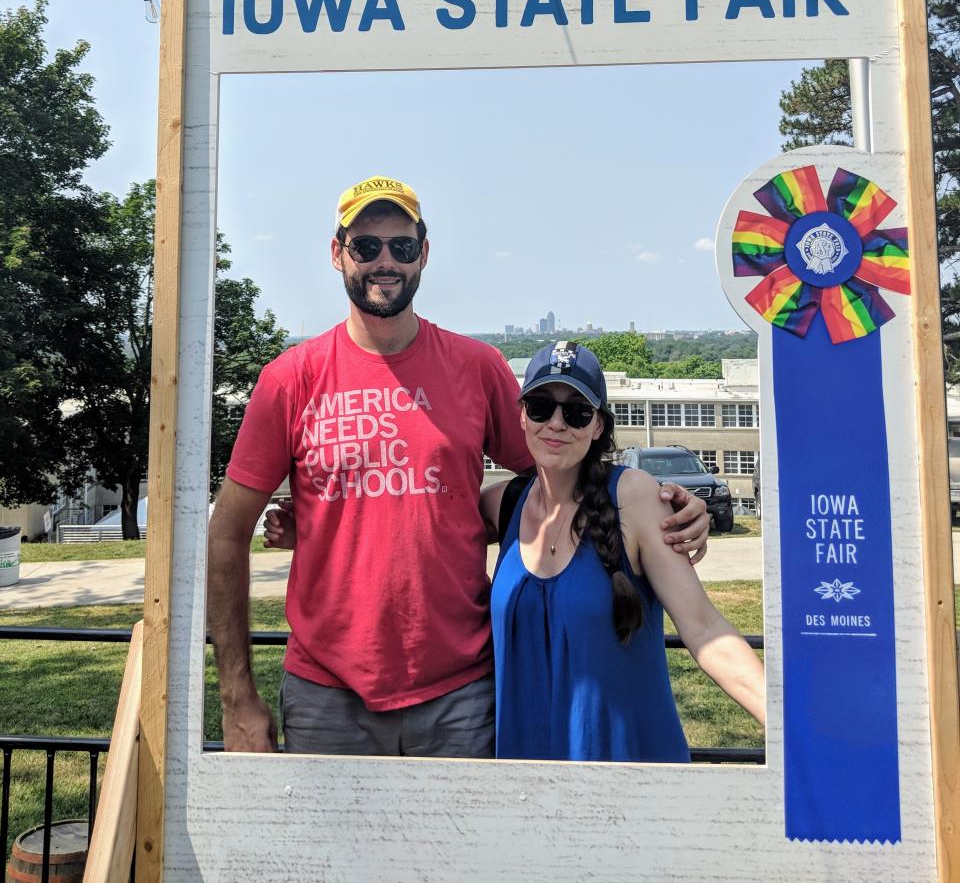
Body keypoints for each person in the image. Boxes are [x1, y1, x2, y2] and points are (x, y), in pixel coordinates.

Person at [208, 175, 711, 757]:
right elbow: (228, 530)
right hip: (327, 695)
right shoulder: (290, 379)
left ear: (424, 253)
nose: (384, 261)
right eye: (366, 246)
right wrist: (236, 698)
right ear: (336, 252)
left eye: (400, 245)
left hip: (461, 696)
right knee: (325, 854)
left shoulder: (476, 366)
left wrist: (658, 497)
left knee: (463, 851)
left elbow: (559, 474)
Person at [482, 340, 765, 762]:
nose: (556, 423)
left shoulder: (633, 497)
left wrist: (792, 725)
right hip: (527, 781)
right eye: (541, 407)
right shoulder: (502, 504)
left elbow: (704, 628)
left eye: (577, 413)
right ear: (521, 415)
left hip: (629, 775)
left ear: (598, 426)